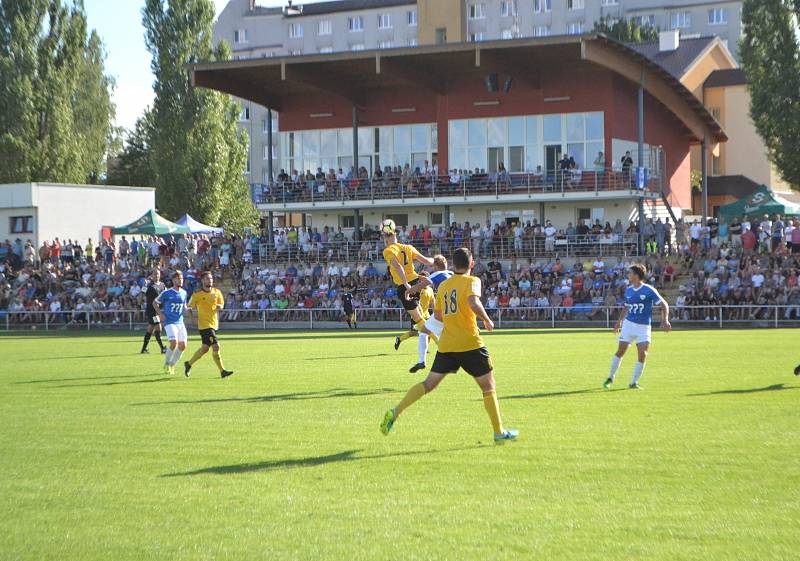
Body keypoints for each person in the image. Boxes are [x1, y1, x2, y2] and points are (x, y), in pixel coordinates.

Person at [380, 247, 518, 444]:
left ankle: (395, 412)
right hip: (470, 343)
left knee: (428, 384)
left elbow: (438, 316)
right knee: (488, 386)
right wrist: (486, 319)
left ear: (453, 264)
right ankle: (498, 432)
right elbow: (473, 301)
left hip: (447, 344)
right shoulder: (473, 281)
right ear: (471, 264)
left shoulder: (444, 286)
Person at [603, 264, 671, 390]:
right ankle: (610, 377)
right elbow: (626, 307)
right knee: (620, 352)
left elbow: (664, 304)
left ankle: (633, 382)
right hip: (629, 326)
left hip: (643, 328)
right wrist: (619, 322)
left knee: (643, 354)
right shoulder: (628, 290)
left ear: (636, 275)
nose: (628, 275)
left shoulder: (648, 290)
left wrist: (665, 319)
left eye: (630, 273)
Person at [381, 220, 434, 343]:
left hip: (406, 286)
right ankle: (433, 338)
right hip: (416, 282)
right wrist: (436, 260)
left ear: (385, 236)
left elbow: (398, 266)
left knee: (419, 321)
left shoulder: (388, 250)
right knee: (419, 318)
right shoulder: (408, 247)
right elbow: (426, 261)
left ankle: (439, 340)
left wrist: (405, 284)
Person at [404, 255, 454, 373]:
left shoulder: (437, 274)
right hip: (455, 312)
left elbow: (422, 285)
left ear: (435, 266)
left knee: (423, 333)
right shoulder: (453, 274)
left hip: (442, 312)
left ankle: (422, 361)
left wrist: (408, 291)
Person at [184, 271, 233, 378]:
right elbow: (189, 307)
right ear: (202, 280)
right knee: (216, 346)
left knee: (205, 348)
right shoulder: (197, 294)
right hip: (204, 325)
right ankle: (222, 371)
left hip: (214, 324)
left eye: (211, 278)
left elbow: (222, 304)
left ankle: (188, 364)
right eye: (207, 278)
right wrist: (192, 319)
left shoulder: (217, 292)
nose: (210, 280)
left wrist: (220, 306)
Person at [394, 272, 435, 371]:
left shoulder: (430, 290)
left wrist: (436, 312)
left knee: (423, 332)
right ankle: (399, 339)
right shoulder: (417, 289)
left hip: (427, 315)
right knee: (416, 332)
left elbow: (433, 302)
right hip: (418, 315)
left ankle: (424, 351)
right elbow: (415, 302)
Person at [152, 271, 189, 375]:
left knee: (183, 346)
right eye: (178, 278)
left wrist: (188, 309)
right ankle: (166, 364)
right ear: (173, 280)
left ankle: (172, 364)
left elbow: (184, 307)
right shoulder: (167, 293)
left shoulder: (184, 292)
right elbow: (154, 302)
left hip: (180, 322)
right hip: (170, 322)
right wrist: (160, 314)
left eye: (181, 278)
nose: (180, 280)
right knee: (174, 343)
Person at [140, 269, 166, 354]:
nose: (157, 276)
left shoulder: (162, 285)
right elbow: (141, 295)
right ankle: (163, 348)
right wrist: (139, 303)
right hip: (151, 311)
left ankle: (144, 349)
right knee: (158, 327)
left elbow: (166, 295)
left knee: (150, 330)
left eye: (158, 274)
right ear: (152, 275)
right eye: (155, 274)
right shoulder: (148, 285)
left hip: (158, 310)